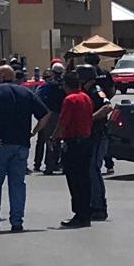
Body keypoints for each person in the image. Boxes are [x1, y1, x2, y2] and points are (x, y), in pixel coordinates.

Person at [0, 65, 50, 233]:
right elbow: (45, 114)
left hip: (1, 144)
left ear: (3, 76)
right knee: (17, 184)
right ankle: (17, 221)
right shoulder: (26, 92)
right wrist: (34, 131)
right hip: (21, 144)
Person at [54, 71, 95, 228]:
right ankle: (86, 212)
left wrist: (54, 137)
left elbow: (63, 122)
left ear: (66, 85)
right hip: (86, 140)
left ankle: (79, 213)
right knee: (85, 178)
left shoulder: (69, 99)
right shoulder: (86, 97)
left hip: (73, 142)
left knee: (74, 179)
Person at [83, 66, 114, 220]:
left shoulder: (96, 90)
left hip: (98, 134)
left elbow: (108, 106)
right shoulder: (88, 91)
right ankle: (92, 204)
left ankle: (99, 206)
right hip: (90, 135)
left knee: (94, 169)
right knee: (89, 170)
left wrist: (90, 118)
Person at [34, 63, 67, 174]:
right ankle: (59, 163)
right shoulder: (65, 85)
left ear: (52, 72)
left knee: (49, 140)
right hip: (61, 114)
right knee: (59, 140)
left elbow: (38, 98)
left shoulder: (47, 85)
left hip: (49, 114)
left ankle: (49, 165)